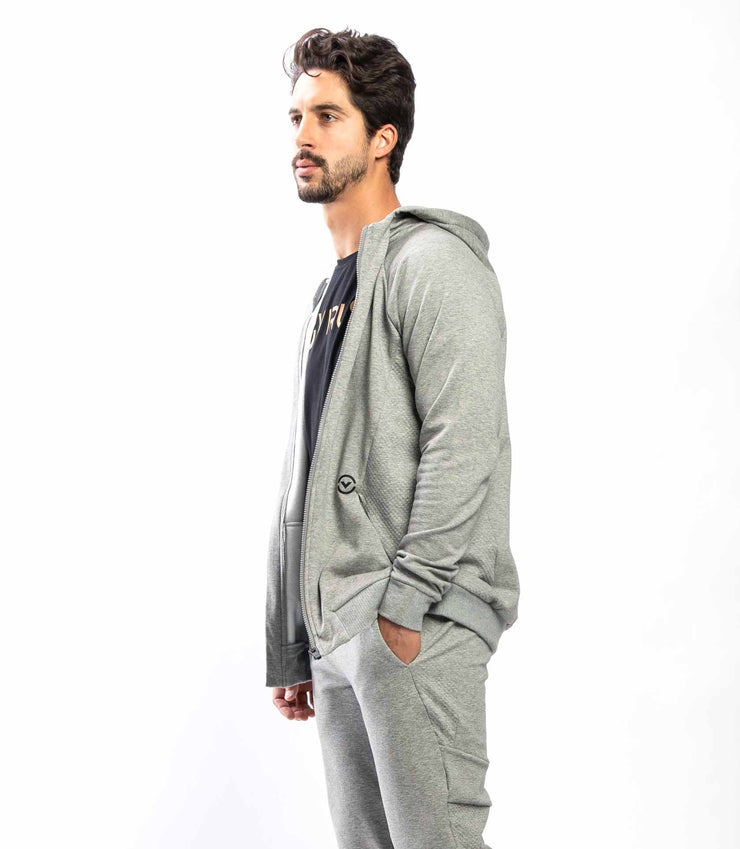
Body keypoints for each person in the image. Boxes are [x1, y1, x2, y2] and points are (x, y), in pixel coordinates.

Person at [264, 26, 520, 849]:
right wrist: (294, 637)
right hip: (340, 632)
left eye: (328, 116)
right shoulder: (327, 297)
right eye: (297, 116)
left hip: (413, 619)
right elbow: (306, 475)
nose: (303, 136)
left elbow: (464, 440)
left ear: (383, 138)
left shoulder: (432, 263)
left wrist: (404, 608)